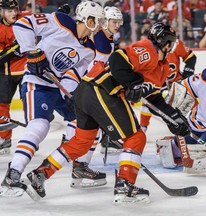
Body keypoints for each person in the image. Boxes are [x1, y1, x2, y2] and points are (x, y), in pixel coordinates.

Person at [22, 22, 190, 204]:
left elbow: (153, 97)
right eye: (170, 43)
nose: (171, 46)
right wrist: (133, 83)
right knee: (136, 137)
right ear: (166, 43)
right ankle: (124, 185)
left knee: (81, 142)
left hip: (87, 92)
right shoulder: (148, 49)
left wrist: (173, 118)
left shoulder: (162, 67)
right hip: (102, 90)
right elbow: (117, 60)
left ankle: (39, 174)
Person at [0, 0, 105, 197]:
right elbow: (24, 25)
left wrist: (71, 93)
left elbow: (74, 73)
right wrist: (31, 52)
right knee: (40, 126)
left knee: (88, 125)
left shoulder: (89, 49)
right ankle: (13, 173)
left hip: (58, 89)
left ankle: (79, 167)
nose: (100, 26)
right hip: (37, 83)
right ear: (88, 19)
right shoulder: (61, 20)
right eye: (98, 21)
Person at [71, 5, 124, 188]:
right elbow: (96, 68)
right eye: (113, 21)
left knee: (93, 129)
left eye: (119, 22)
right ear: (104, 22)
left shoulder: (107, 38)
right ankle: (79, 164)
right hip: (86, 87)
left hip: (89, 86)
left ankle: (79, 167)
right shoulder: (101, 38)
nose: (117, 25)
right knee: (88, 129)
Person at [140, 38, 197, 132]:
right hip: (158, 81)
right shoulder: (148, 47)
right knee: (148, 102)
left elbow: (191, 57)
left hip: (176, 80)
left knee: (188, 99)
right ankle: (143, 127)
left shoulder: (176, 44)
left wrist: (187, 73)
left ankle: (196, 122)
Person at [0, 0, 31, 155]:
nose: (13, 13)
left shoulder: (25, 17)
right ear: (1, 12)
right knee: (2, 106)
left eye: (14, 10)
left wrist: (59, 13)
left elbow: (47, 21)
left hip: (27, 71)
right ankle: (5, 140)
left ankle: (31, 139)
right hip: (6, 73)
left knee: (30, 105)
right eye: (8, 11)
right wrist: (14, 50)